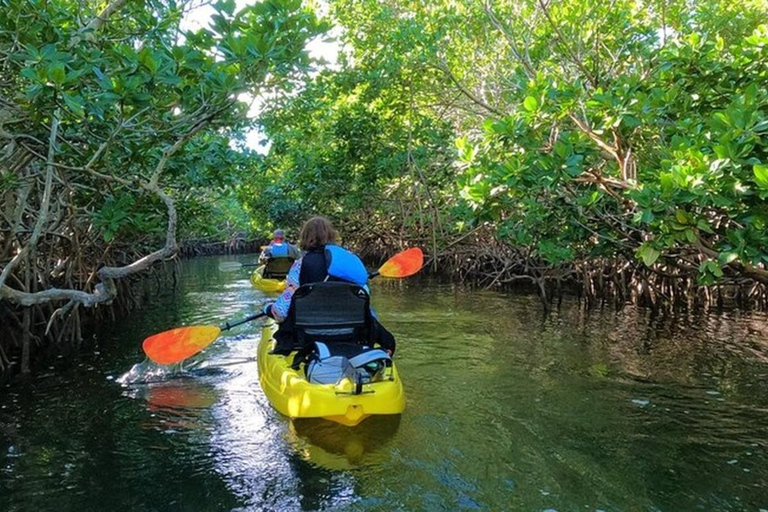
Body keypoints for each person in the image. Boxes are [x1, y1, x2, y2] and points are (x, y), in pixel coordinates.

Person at [261, 216, 396, 355]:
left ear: (305, 237)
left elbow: (281, 312)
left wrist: (268, 308)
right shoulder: (350, 263)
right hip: (351, 335)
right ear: (331, 235)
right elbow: (364, 298)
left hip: (309, 336)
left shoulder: (299, 265)